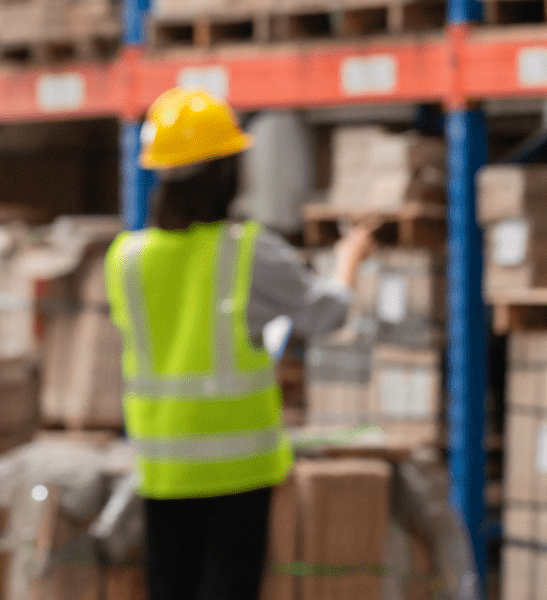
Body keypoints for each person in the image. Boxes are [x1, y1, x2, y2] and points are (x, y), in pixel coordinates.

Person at [106, 88, 377, 600]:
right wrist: (349, 259)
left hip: (161, 465)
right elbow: (326, 313)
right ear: (227, 172)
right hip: (236, 471)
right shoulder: (248, 253)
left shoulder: (127, 259)